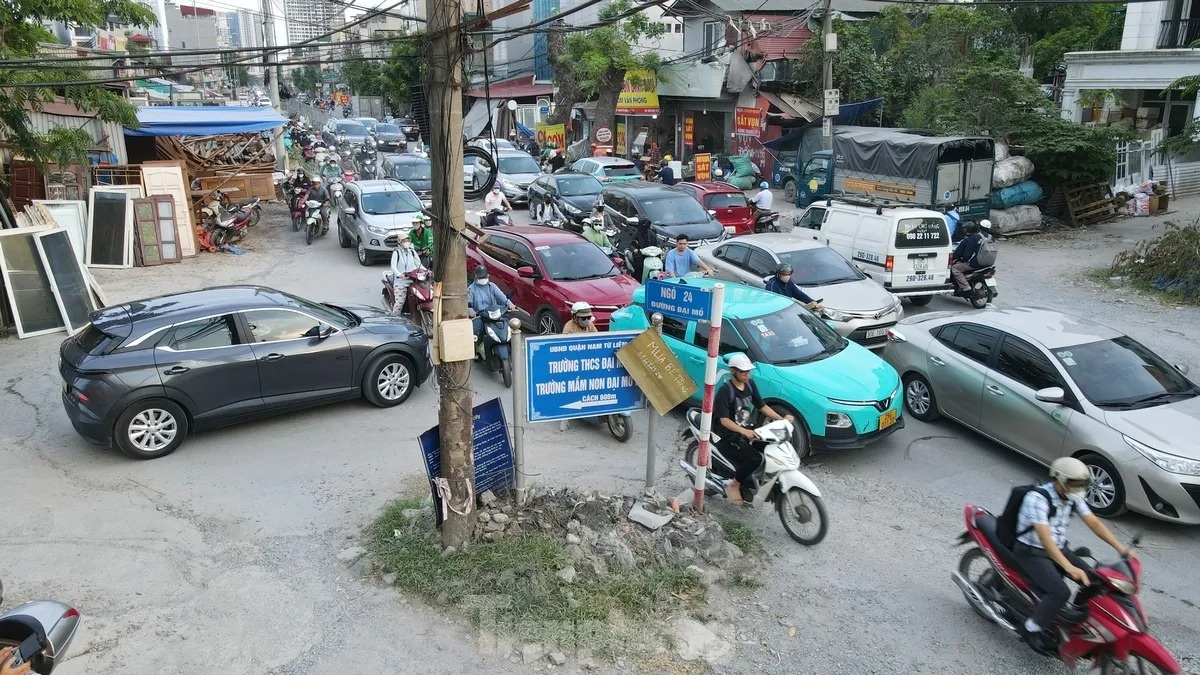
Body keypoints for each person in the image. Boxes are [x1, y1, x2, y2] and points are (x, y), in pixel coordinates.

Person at [1013, 457, 1136, 656]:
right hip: (1031, 551)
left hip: (1058, 549)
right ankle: (1030, 629)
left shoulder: (1073, 497)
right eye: (1074, 485)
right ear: (1060, 481)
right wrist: (1069, 568)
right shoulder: (1037, 499)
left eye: (1081, 485)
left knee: (1096, 580)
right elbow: (1045, 540)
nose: (1079, 489)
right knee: (1060, 592)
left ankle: (1072, 617)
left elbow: (1094, 523)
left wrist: (1121, 549)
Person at [713, 353, 794, 506]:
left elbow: (762, 406)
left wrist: (781, 419)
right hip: (729, 435)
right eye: (743, 372)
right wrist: (743, 431)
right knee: (754, 459)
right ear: (733, 371)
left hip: (748, 429)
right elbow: (724, 420)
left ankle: (758, 481)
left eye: (748, 371)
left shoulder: (750, 384)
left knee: (771, 445)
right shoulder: (725, 391)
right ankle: (734, 485)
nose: (747, 375)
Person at [468, 265, 516, 344]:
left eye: (484, 277)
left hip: (494, 315)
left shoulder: (492, 286)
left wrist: (510, 304)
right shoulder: (471, 289)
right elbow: (468, 304)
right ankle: (477, 350)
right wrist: (471, 311)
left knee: (507, 328)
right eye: (480, 278)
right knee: (476, 331)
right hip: (480, 317)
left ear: (488, 276)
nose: (483, 280)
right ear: (476, 277)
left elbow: (502, 297)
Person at [950, 219, 992, 292]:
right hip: (989, 263)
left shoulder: (975, 237)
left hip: (975, 264)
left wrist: (961, 260)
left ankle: (965, 286)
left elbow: (967, 254)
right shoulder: (992, 238)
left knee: (955, 268)